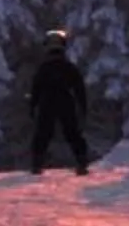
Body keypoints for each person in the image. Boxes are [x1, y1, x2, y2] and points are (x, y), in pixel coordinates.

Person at [28, 28, 91, 175]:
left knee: (43, 133)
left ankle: (37, 163)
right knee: (72, 133)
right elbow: (79, 89)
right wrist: (83, 107)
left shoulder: (44, 68)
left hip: (47, 102)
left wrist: (32, 106)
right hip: (65, 101)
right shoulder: (69, 67)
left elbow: (36, 89)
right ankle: (81, 162)